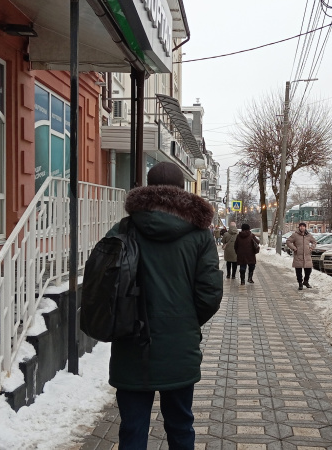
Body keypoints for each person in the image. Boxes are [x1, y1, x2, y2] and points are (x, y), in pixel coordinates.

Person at [107, 162, 223, 450]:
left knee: (132, 429)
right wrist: (185, 320)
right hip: (179, 346)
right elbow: (210, 293)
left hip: (131, 342)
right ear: (182, 189)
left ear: (147, 187)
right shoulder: (200, 234)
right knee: (180, 425)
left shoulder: (124, 229)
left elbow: (104, 283)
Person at [286, 222, 318, 290]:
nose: (302, 227)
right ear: (299, 227)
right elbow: (288, 241)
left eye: (303, 226)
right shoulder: (295, 235)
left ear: (305, 227)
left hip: (307, 255)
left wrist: (311, 248)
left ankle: (306, 281)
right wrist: (294, 248)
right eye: (301, 226)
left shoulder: (308, 235)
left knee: (308, 269)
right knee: (298, 271)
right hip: (298, 255)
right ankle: (300, 283)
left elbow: (314, 242)